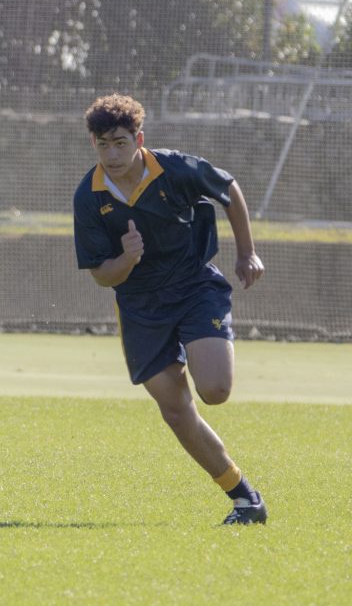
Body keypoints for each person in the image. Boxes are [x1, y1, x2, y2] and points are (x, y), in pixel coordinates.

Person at [72, 93, 267, 525]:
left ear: (139, 139)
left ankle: (245, 499)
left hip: (194, 286)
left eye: (120, 142)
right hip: (140, 306)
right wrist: (125, 260)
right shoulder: (88, 196)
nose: (112, 153)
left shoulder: (174, 168)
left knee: (214, 391)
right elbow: (101, 274)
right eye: (102, 144)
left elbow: (228, 188)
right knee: (176, 411)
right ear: (94, 145)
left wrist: (246, 253)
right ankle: (245, 499)